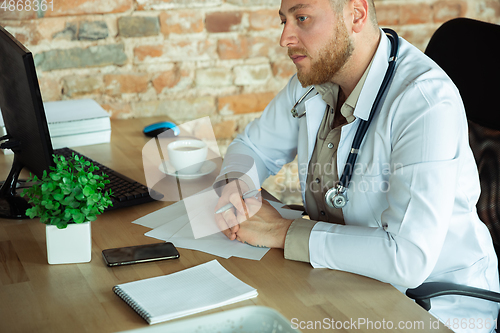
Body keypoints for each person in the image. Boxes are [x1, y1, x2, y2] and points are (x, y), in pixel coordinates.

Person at [213, 0, 500, 331]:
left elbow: (408, 258)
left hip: (431, 307)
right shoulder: (316, 80)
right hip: (343, 281)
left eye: (301, 18)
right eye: (284, 21)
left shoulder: (424, 102)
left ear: (356, 15)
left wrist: (282, 231)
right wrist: (237, 187)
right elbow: (251, 147)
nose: (285, 38)